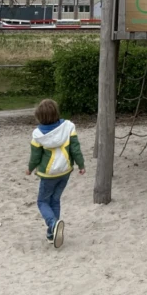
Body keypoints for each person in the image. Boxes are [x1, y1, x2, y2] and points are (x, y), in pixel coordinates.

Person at [26, 99, 85, 248]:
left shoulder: (38, 134)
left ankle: (52, 224)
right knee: (55, 200)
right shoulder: (69, 127)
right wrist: (81, 165)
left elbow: (35, 156)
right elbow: (75, 149)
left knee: (42, 201)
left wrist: (30, 168)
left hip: (48, 173)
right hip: (65, 171)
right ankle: (52, 234)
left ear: (39, 117)